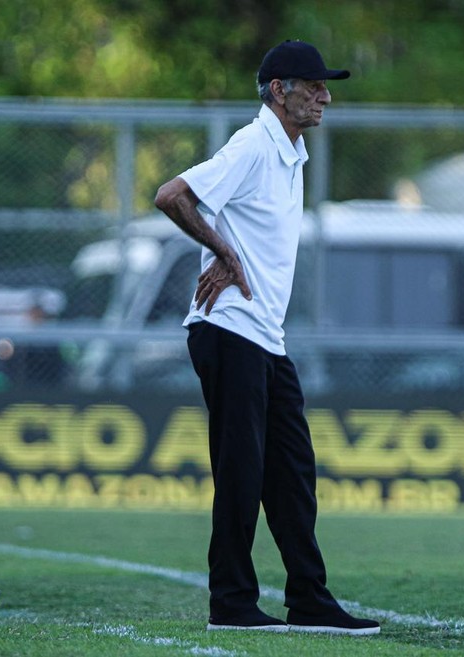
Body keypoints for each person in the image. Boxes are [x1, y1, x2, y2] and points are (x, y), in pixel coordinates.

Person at [154, 40, 380, 636]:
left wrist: (227, 244)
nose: (325, 96)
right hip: (229, 331)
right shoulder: (255, 144)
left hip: (263, 339)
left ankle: (309, 598)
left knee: (292, 469)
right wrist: (222, 249)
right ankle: (230, 603)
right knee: (243, 471)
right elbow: (171, 195)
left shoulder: (289, 152)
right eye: (313, 85)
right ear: (278, 90)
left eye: (326, 86)